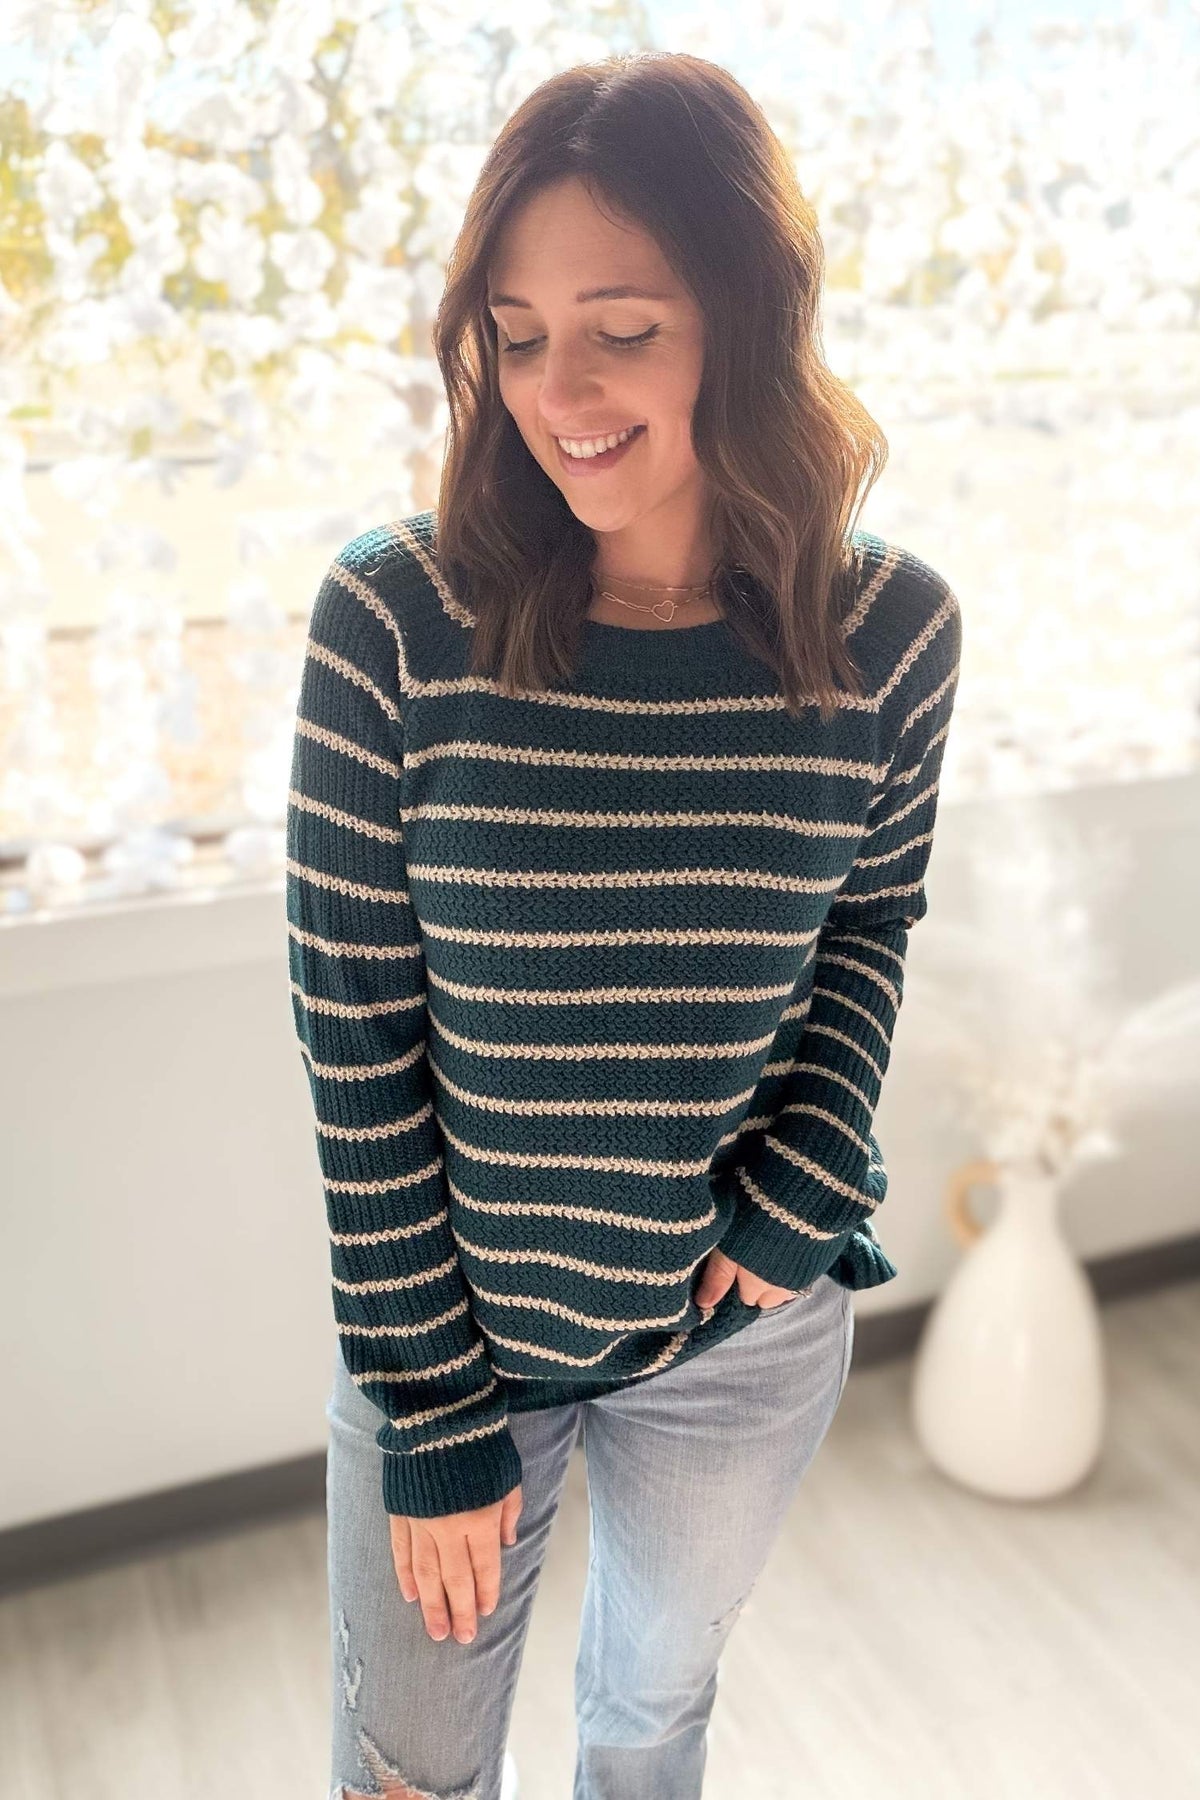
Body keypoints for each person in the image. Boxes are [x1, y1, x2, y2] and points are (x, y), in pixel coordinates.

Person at [286, 49, 962, 1800]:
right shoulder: (396, 621)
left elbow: (872, 919)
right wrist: (434, 1416)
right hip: (456, 1340)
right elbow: (353, 1030)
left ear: (743, 318)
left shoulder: (889, 632)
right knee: (406, 1776)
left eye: (621, 327)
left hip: (736, 1339)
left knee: (647, 1724)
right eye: (516, 333)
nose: (556, 388)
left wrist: (811, 1182)